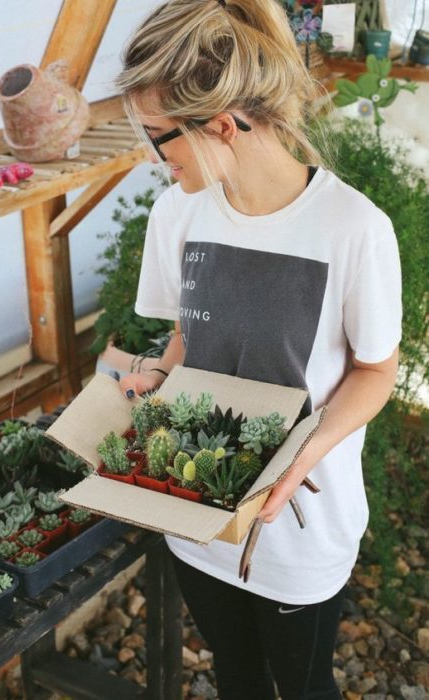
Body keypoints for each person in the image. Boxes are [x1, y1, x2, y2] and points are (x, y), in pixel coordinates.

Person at [116, 1, 402, 697]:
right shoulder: (178, 210)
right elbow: (189, 331)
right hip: (196, 516)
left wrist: (304, 451)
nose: (154, 161)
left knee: (301, 687)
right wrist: (149, 379)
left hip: (300, 531)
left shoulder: (351, 228)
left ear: (220, 124)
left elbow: (375, 370)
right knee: (234, 676)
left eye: (160, 139)